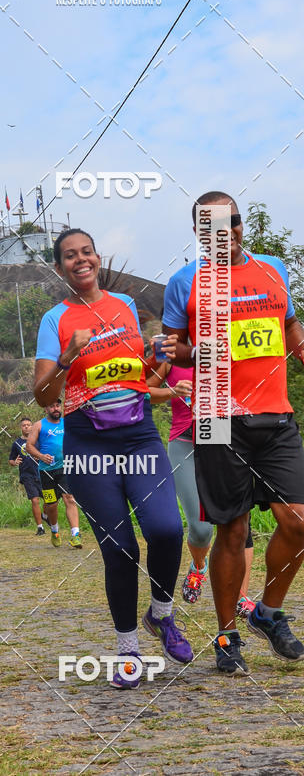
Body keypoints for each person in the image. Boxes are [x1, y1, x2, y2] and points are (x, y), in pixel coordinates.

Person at [34, 228, 193, 688]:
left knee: (167, 529)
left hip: (140, 434)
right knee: (119, 549)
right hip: (88, 444)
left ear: (97, 258)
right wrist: (67, 356)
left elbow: (138, 373)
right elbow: (42, 393)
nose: (79, 260)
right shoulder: (54, 319)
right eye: (69, 256)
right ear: (60, 266)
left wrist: (160, 360)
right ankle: (128, 652)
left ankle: (161, 614)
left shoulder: (122, 305)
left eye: (86, 252)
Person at [163, 191, 304, 674]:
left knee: (299, 523)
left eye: (234, 223)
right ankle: (226, 635)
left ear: (242, 224)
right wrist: (200, 353)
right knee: (232, 529)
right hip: (217, 415)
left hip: (275, 411)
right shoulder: (185, 282)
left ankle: (268, 612)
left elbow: (289, 326)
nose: (227, 234)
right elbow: (174, 351)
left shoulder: (274, 268)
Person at [145, 358, 214, 602]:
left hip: (219, 439)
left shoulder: (222, 347)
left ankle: (238, 594)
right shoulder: (170, 358)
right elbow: (142, 391)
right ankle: (198, 565)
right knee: (201, 528)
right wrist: (171, 391)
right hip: (183, 443)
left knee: (236, 526)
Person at [26, 403, 81, 547]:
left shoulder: (67, 423)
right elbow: (29, 446)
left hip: (66, 466)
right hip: (46, 471)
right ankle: (55, 530)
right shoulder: (39, 425)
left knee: (70, 498)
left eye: (58, 406)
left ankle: (75, 535)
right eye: (51, 406)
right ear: (46, 409)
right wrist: (41, 456)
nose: (56, 409)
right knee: (51, 505)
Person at [9, 417, 45, 535]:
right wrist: (15, 462)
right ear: (21, 427)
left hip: (42, 473)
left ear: (32, 426)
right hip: (27, 475)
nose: (26, 427)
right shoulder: (16, 444)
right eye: (24, 425)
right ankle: (40, 527)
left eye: (29, 425)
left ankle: (45, 515)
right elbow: (11, 460)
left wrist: (39, 455)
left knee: (50, 500)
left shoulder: (39, 440)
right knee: (35, 500)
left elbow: (46, 453)